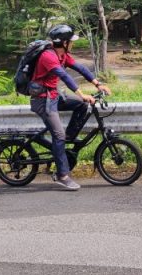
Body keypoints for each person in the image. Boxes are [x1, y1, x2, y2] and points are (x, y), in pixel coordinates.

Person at [30, 24, 111, 190]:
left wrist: (98, 84)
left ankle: (67, 140)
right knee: (58, 136)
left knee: (81, 106)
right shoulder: (48, 56)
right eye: (71, 41)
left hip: (53, 95)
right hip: (43, 99)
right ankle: (62, 175)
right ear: (64, 43)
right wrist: (82, 94)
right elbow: (64, 76)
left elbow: (79, 68)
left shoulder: (63, 55)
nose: (72, 44)